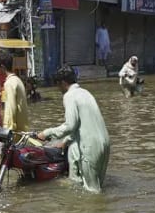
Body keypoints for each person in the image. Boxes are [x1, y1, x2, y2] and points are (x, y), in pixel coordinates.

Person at [36, 65, 110, 193]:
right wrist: (65, 141)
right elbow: (82, 124)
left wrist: (46, 133)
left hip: (90, 147)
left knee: (92, 193)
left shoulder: (69, 96)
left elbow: (70, 125)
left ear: (63, 83)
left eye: (58, 85)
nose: (58, 89)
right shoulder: (85, 93)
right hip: (105, 144)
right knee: (99, 188)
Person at [0, 50, 29, 132]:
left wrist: (7, 130)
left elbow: (11, 108)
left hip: (15, 132)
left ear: (2, 67)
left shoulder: (9, 83)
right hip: (23, 128)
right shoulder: (17, 80)